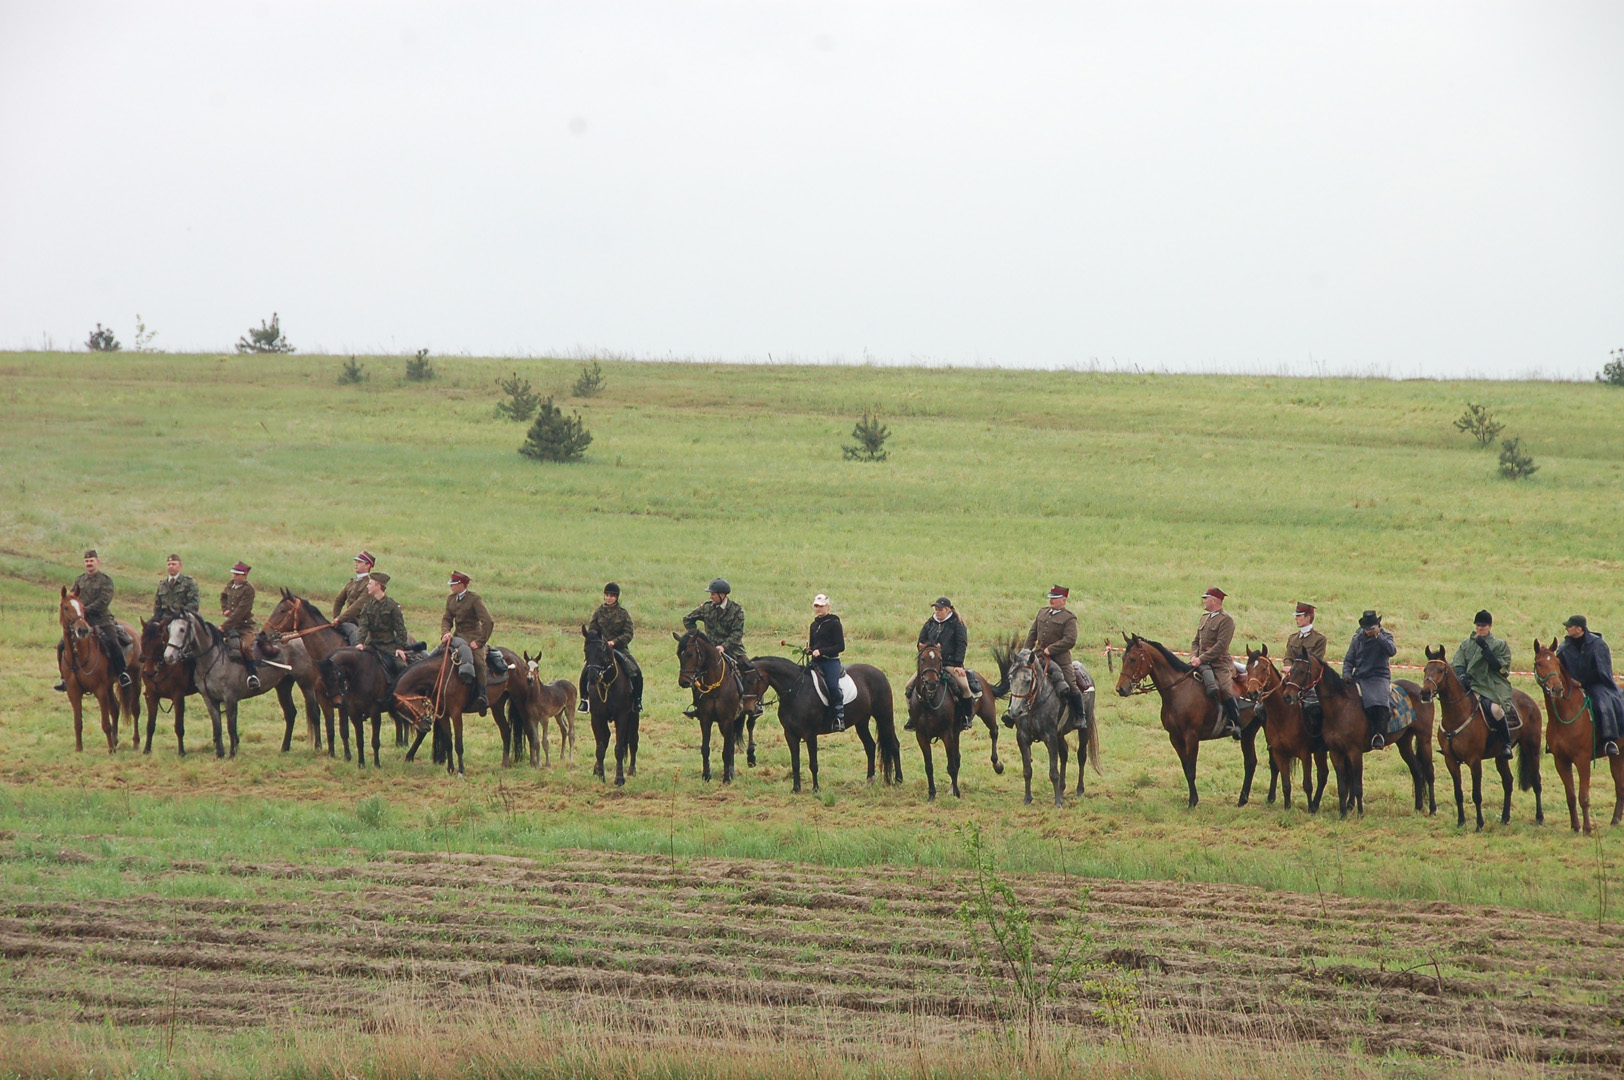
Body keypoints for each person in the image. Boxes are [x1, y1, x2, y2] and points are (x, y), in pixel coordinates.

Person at [682, 579, 759, 719]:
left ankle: (753, 704)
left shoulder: (737, 610)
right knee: (695, 672)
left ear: (722, 595)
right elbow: (687, 619)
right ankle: (697, 706)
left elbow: (737, 633)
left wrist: (723, 646)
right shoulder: (706, 608)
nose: (710, 596)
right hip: (710, 651)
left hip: (733, 649)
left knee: (750, 670)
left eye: (713, 594)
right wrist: (697, 637)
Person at [56, 549, 132, 690]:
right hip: (81, 620)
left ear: (98, 562)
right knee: (61, 645)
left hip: (102, 619)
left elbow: (104, 600)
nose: (89, 563)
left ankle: (122, 673)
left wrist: (83, 610)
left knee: (113, 643)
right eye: (87, 561)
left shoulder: (105, 580)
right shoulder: (79, 580)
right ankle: (64, 678)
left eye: (91, 561)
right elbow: (72, 597)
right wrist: (75, 611)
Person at [1451, 610, 1517, 760]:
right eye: (1478, 625)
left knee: (1496, 710)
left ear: (1490, 626)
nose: (1480, 628)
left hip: (1491, 683)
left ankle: (1506, 743)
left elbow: (1503, 670)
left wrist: (1488, 652)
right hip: (1469, 683)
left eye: (1483, 626)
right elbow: (1458, 662)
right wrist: (1462, 676)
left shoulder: (1499, 645)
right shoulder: (1466, 644)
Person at [906, 597, 977, 733]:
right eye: (936, 609)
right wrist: (925, 650)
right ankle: (912, 718)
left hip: (950, 664)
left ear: (948, 610)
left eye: (940, 609)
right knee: (908, 686)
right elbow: (921, 641)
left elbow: (961, 644)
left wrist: (958, 664)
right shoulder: (930, 623)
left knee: (964, 687)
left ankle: (966, 717)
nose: (937, 612)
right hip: (931, 665)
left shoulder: (957, 624)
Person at [1556, 615, 1622, 757]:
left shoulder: (1598, 645)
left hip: (1596, 683)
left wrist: (1582, 682)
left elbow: (1602, 670)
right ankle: (1554, 742)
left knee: (1603, 703)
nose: (1566, 628)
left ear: (1579, 629)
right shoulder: (1564, 647)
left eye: (1569, 626)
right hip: (1572, 685)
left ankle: (1609, 740)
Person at [1025, 586, 1087, 719]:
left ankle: (1080, 716)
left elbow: (1070, 640)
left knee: (1071, 684)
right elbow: (1032, 634)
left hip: (1060, 659)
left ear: (1063, 600)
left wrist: (1051, 649)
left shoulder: (1069, 618)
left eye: (1055, 598)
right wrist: (1025, 651)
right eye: (1051, 597)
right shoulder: (1042, 612)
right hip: (1039, 656)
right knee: (1021, 678)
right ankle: (1013, 714)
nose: (1051, 600)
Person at [581, 582, 642, 714]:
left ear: (616, 597)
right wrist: (599, 642)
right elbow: (592, 631)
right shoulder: (598, 613)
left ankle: (637, 700)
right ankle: (584, 700)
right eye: (607, 595)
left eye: (612, 596)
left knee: (636, 671)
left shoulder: (623, 614)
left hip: (619, 649)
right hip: (600, 649)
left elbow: (628, 633)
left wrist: (614, 642)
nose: (609, 598)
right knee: (586, 671)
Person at [440, 571, 494, 715]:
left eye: (453, 584)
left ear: (461, 585)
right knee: (438, 654)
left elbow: (488, 622)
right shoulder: (451, 599)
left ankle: (482, 696)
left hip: (473, 637)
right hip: (457, 637)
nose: (451, 586)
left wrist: (480, 642)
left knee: (479, 662)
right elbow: (447, 618)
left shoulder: (474, 599)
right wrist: (445, 632)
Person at [1191, 587, 1241, 738]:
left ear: (1214, 601)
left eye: (1206, 598)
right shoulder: (1204, 618)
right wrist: (1194, 656)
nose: (1204, 601)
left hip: (1219, 664)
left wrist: (1201, 658)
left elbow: (1221, 646)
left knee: (1225, 689)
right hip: (1200, 662)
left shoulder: (1226, 620)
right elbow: (1195, 641)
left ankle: (1235, 723)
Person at [1343, 610, 1396, 750]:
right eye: (1366, 628)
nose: (1367, 631)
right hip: (1360, 676)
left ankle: (1378, 734)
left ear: (1377, 626)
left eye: (1370, 628)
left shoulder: (1386, 637)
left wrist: (1378, 637)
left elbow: (1391, 651)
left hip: (1379, 676)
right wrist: (1347, 674)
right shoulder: (1357, 639)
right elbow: (1349, 659)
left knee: (1379, 703)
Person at [355, 572, 412, 681]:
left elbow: (400, 629)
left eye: (370, 584)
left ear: (378, 586)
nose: (367, 586)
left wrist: (399, 648)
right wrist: (360, 643)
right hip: (371, 644)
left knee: (401, 666)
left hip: (387, 645)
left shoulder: (392, 606)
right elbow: (363, 626)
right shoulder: (367, 606)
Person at [1284, 601, 1327, 741]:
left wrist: (1294, 669)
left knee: (1313, 706)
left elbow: (1315, 661)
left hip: (1309, 680)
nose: (1296, 619)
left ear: (1308, 618)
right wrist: (1288, 666)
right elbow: (1288, 657)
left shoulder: (1319, 639)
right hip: (1291, 678)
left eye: (1299, 616)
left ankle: (1317, 739)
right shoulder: (1292, 638)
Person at [220, 561, 261, 689]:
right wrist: (225, 609)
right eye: (234, 574)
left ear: (245, 576)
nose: (235, 577)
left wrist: (224, 626)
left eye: (238, 575)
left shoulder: (249, 590)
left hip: (244, 626)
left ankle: (252, 674)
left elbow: (240, 612)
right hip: (231, 625)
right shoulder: (230, 584)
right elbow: (223, 596)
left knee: (246, 647)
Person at [809, 593, 846, 731]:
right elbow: (813, 644)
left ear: (828, 607)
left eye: (821, 606)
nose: (818, 609)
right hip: (816, 662)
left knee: (832, 685)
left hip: (831, 662)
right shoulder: (813, 625)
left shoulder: (834, 623)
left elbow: (840, 646)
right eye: (816, 606)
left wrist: (821, 651)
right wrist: (810, 650)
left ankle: (839, 717)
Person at [332, 551, 375, 646]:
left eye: (359, 562)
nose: (356, 564)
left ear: (368, 565)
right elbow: (339, 600)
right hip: (346, 620)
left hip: (360, 622)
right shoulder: (351, 582)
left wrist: (340, 619)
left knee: (355, 640)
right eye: (356, 562)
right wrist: (336, 617)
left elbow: (358, 606)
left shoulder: (368, 585)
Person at [151, 554, 200, 622]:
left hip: (183, 619)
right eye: (169, 564)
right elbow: (157, 606)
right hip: (165, 619)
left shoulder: (189, 582)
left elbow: (194, 604)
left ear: (180, 566)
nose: (171, 566)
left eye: (173, 564)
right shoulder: (162, 584)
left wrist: (180, 613)